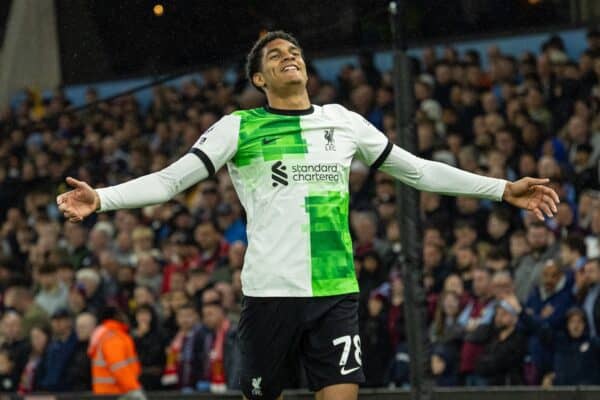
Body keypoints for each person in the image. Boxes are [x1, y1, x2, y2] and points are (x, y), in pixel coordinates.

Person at [57, 31, 560, 400]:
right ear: (259, 78)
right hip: (270, 293)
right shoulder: (240, 126)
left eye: (293, 51)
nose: (289, 56)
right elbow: (170, 182)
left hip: (335, 289)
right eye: (275, 55)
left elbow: (419, 172)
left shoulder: (343, 122)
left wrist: (501, 189)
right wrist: (103, 198)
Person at [88, 306, 146, 400]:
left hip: (109, 393)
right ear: (116, 316)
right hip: (116, 393)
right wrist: (134, 389)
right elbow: (119, 367)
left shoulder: (107, 335)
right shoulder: (113, 338)